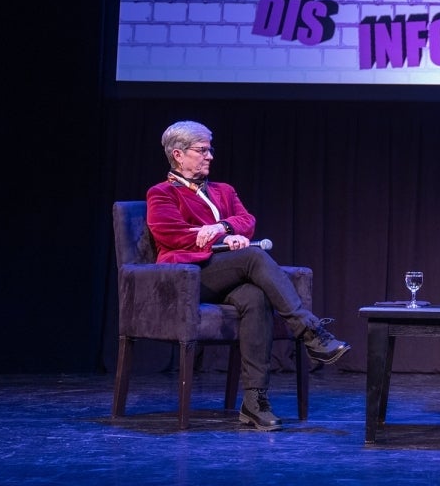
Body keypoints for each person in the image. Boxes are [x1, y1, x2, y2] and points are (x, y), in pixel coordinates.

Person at [145, 120, 350, 431]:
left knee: (254, 298)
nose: (209, 155)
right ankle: (310, 332)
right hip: (186, 279)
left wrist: (223, 227)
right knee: (254, 255)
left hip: (221, 272)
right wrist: (221, 240)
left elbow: (246, 220)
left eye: (209, 149)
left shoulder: (223, 191)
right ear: (178, 154)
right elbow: (170, 234)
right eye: (202, 150)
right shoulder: (161, 194)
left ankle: (254, 401)